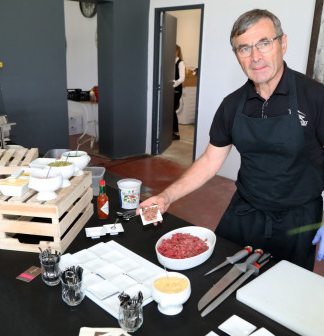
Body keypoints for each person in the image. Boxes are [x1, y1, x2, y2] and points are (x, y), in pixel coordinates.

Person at [138, 9, 324, 271]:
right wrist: (167, 196)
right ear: (237, 55)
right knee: (219, 278)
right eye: (244, 48)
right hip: (245, 210)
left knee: (278, 297)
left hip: (297, 219)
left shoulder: (316, 98)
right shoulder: (232, 105)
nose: (255, 56)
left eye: (264, 43)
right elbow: (210, 160)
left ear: (282, 44)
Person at [173, 45, 186, 140]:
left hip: (176, 90)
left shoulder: (180, 63)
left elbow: (182, 78)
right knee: (169, 111)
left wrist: (174, 83)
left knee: (172, 111)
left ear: (177, 52)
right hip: (171, 89)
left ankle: (176, 133)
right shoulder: (170, 62)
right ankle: (172, 131)